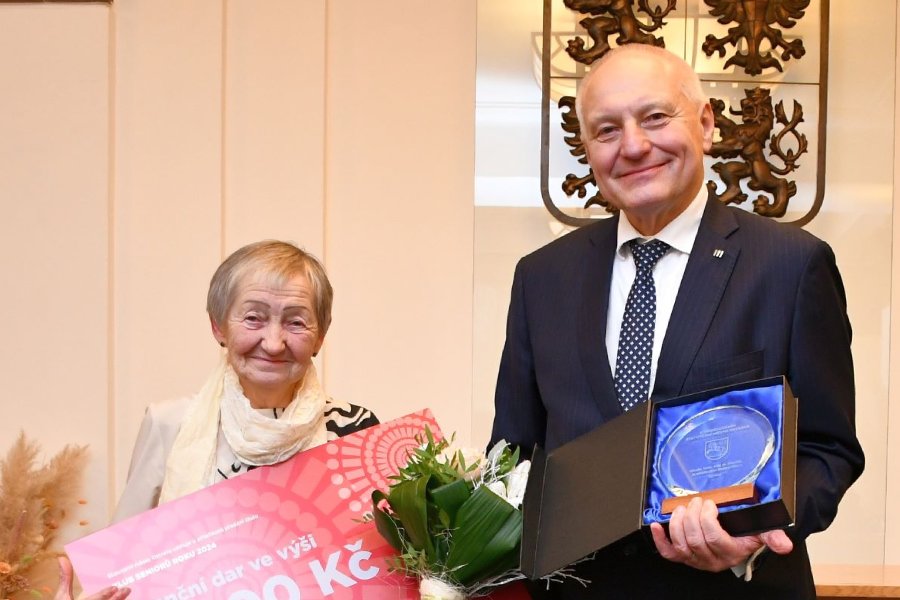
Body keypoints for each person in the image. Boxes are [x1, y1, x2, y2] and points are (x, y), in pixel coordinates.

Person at [490, 44, 864, 599]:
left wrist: (754, 537)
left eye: (655, 117)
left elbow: (828, 449)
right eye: (606, 130)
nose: (634, 146)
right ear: (588, 150)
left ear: (706, 124)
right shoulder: (541, 276)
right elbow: (514, 456)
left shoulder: (791, 265)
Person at [58, 240, 378, 599]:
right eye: (254, 318)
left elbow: (380, 565)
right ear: (218, 327)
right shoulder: (171, 423)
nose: (274, 342)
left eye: (296, 322)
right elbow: (121, 571)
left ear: (320, 336)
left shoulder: (354, 430)